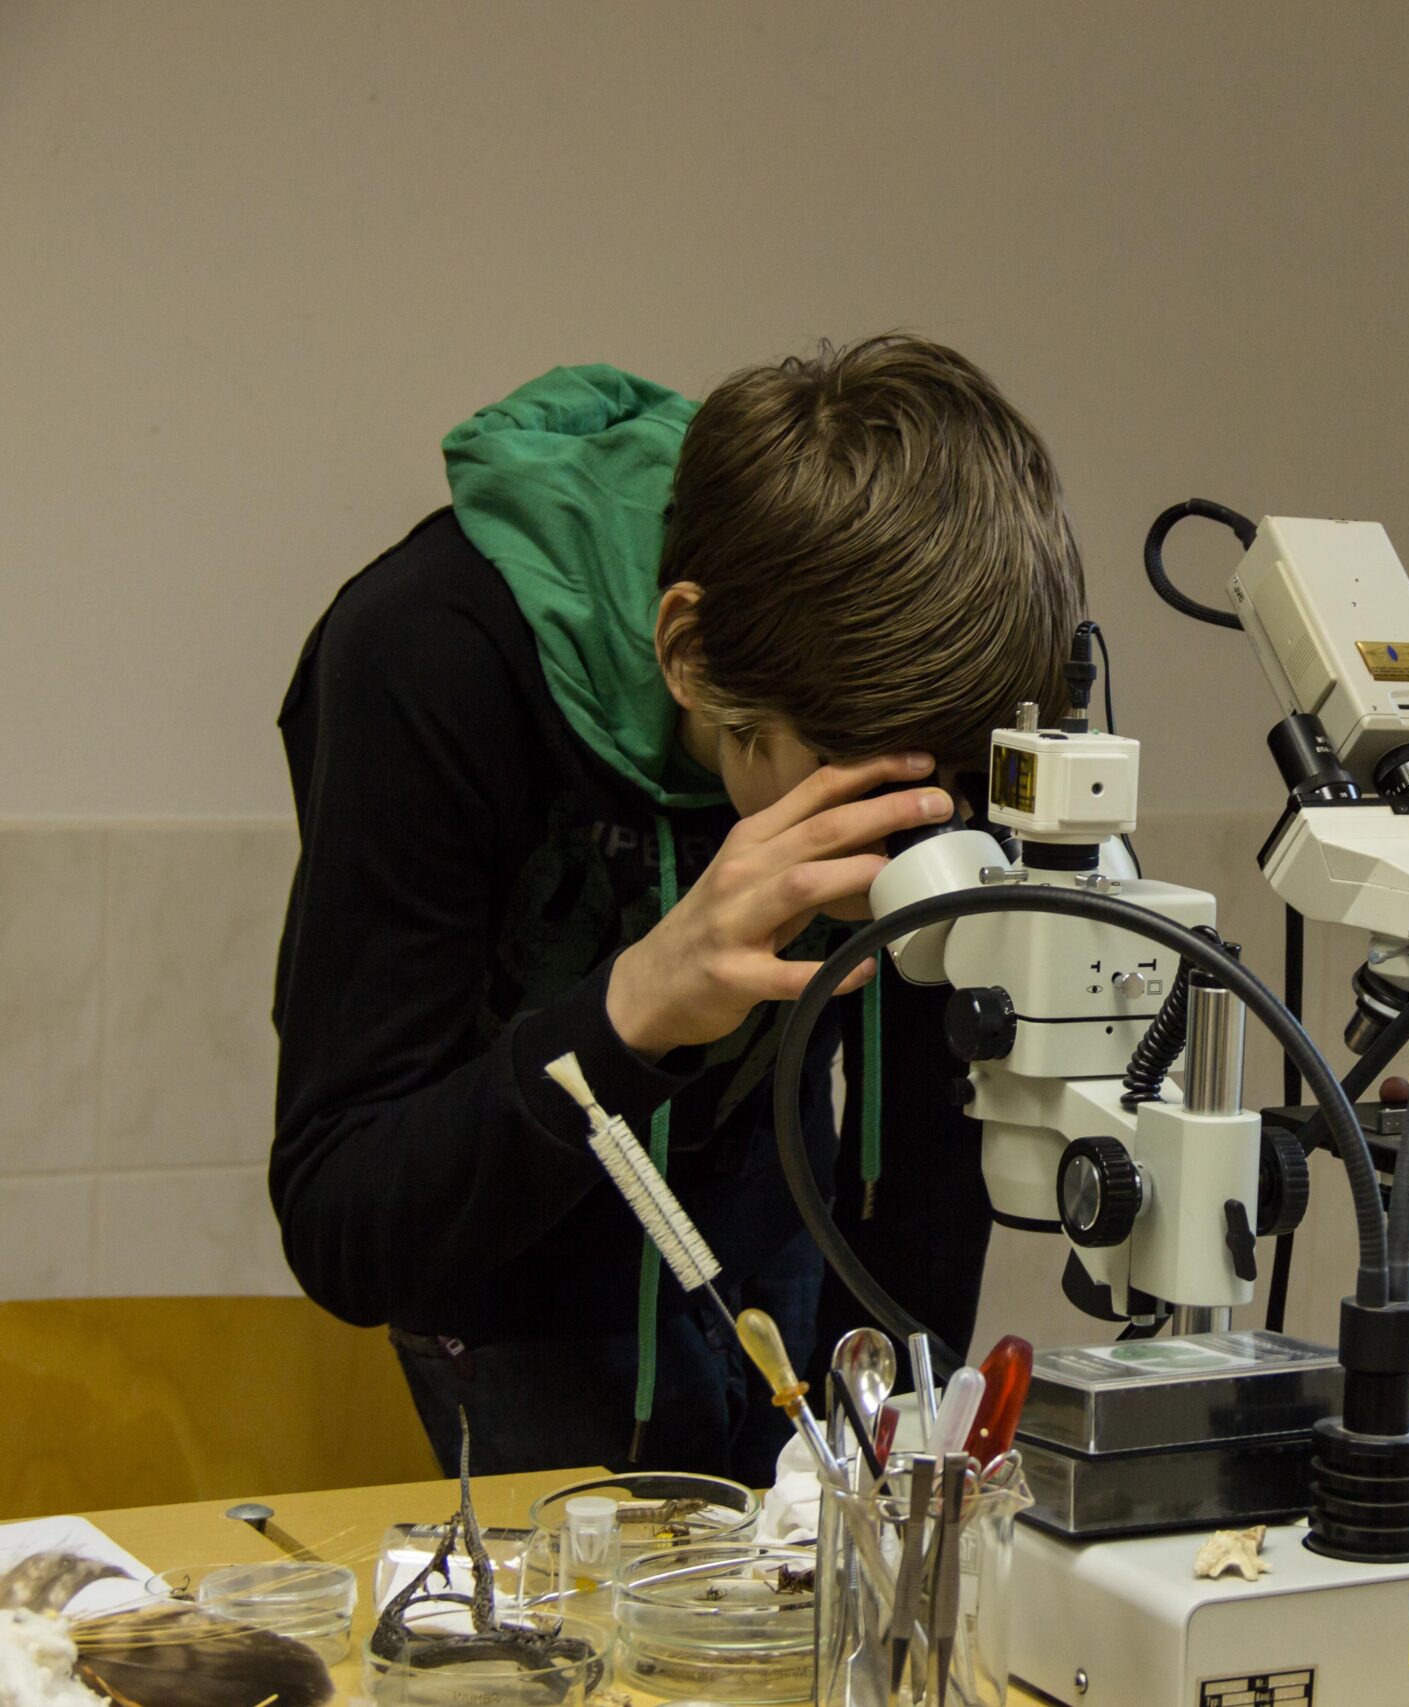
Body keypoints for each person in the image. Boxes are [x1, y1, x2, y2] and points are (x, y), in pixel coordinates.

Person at [271, 339, 1083, 1481]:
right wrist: (632, 1011)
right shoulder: (425, 652)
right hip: (510, 1284)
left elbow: (928, 1134)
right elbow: (342, 1223)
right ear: (691, 655)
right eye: (857, 788)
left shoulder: (934, 662)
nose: (908, 826)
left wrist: (897, 1440)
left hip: (779, 1251)